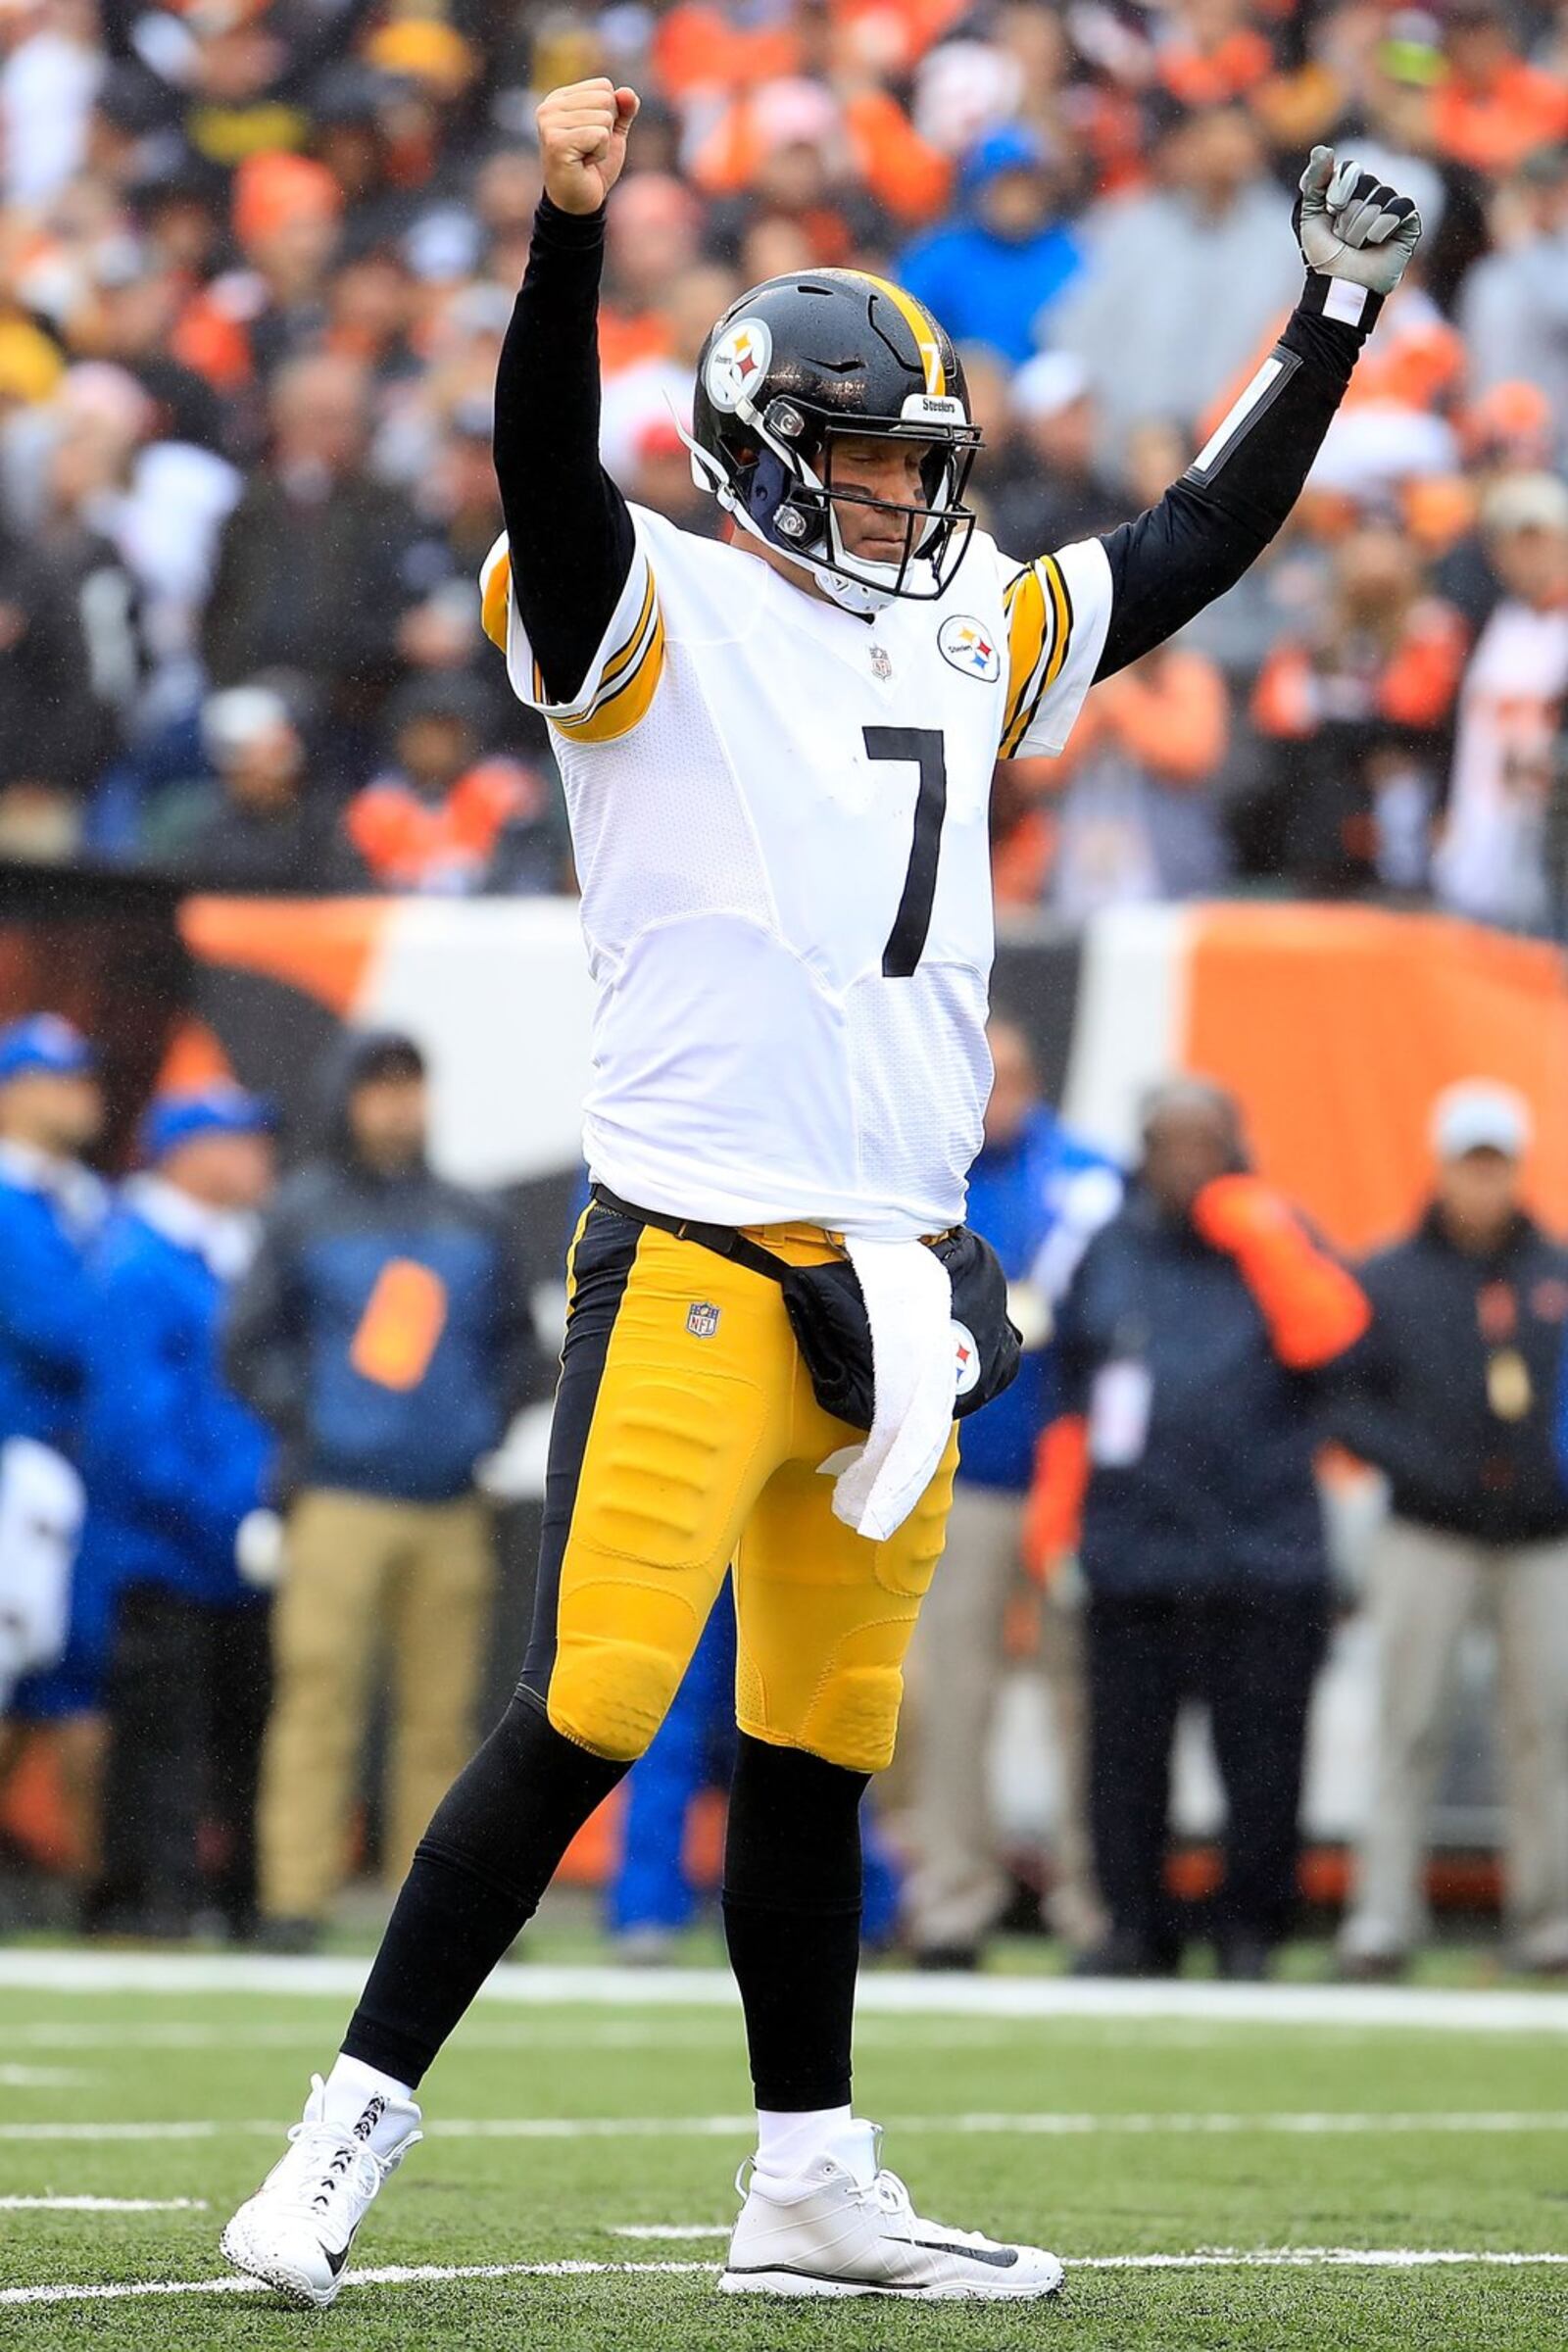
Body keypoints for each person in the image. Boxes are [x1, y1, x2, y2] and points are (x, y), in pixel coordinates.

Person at [220, 80, 1422, 2307]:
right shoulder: (647, 606)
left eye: (914, 456)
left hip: (896, 1272)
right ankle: (339, 2131)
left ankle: (807, 2178)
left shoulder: (957, 623)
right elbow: (533, 480)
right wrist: (562, 241)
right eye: (866, 453)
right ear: (768, 449)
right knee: (586, 1699)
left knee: (814, 1748)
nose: (899, 488)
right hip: (688, 1237)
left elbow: (1179, 543)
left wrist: (1331, 312)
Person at [1033, 1081, 1369, 1979]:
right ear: (1143, 1149)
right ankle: (1134, 1928)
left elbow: (1334, 1345)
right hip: (1133, 1549)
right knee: (1124, 1763)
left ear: (1234, 1146)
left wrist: (1262, 1237)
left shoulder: (1275, 1231)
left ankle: (1250, 1932)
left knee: (1262, 1762)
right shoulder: (1110, 1245)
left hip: (1262, 1551)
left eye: (1203, 1141)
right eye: (1168, 1141)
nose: (1186, 1160)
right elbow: (1072, 1386)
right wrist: (1058, 1525)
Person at [224, 1030, 536, 1953]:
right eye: (381, 1087)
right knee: (318, 1700)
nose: (400, 1105)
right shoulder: (302, 1213)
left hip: (449, 1501)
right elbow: (247, 1344)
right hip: (338, 1500)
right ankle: (292, 1898)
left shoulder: (472, 1216)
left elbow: (519, 1349)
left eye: (413, 1086)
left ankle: (436, 1907)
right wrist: (318, 1417)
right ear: (346, 1097)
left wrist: (474, 1425)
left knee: (442, 1718)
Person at [1334, 1082, 1568, 1977]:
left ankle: (1546, 1922)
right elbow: (1346, 1396)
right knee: (1408, 1723)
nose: (1484, 1183)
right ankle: (1383, 1917)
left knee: (1545, 1729)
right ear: (1442, 1168)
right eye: (1471, 1164)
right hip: (1428, 1530)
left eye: (1497, 1164)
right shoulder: (1390, 1275)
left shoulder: (1553, 1274)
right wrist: (1423, 1463)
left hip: (1545, 1537)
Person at [902, 1017, 1119, 1967]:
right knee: (953, 1698)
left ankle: (1088, 1903)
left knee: (1084, 1701)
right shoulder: (920, 1172)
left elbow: (1101, 1308)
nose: (1001, 1091)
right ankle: (956, 1897)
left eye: (1015, 1073)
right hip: (967, 1476)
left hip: (1072, 1480)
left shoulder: (1082, 1177)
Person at [82, 1086, 278, 1941]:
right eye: (237, 1142)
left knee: (240, 1731)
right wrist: (225, 1515)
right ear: (188, 1154)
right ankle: (154, 1897)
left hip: (234, 1541)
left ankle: (228, 1896)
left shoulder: (230, 1251)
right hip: (163, 1548)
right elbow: (136, 1428)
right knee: (162, 1737)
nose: (256, 1160)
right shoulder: (138, 1259)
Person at [0, 1018, 109, 1892]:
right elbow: (65, 1326)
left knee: (67, 1688)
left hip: (68, 1472)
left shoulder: (81, 1197)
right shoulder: (11, 1198)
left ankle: (79, 1884)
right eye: (57, 1076)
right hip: (16, 1463)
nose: (79, 1090)